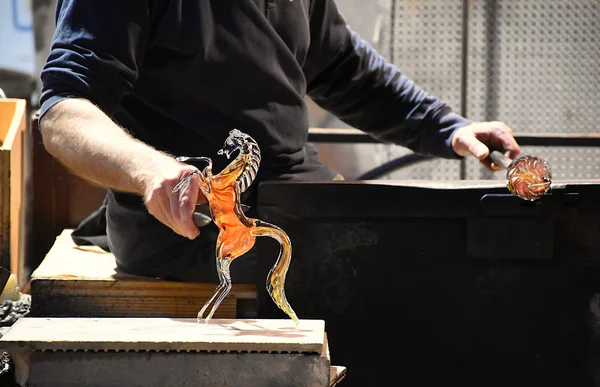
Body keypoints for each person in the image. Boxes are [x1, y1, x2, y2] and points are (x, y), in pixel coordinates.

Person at [38, 0, 520, 282]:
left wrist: (446, 127)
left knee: (443, 265)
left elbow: (343, 68)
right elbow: (63, 113)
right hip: (191, 225)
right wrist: (150, 172)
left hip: (298, 196)